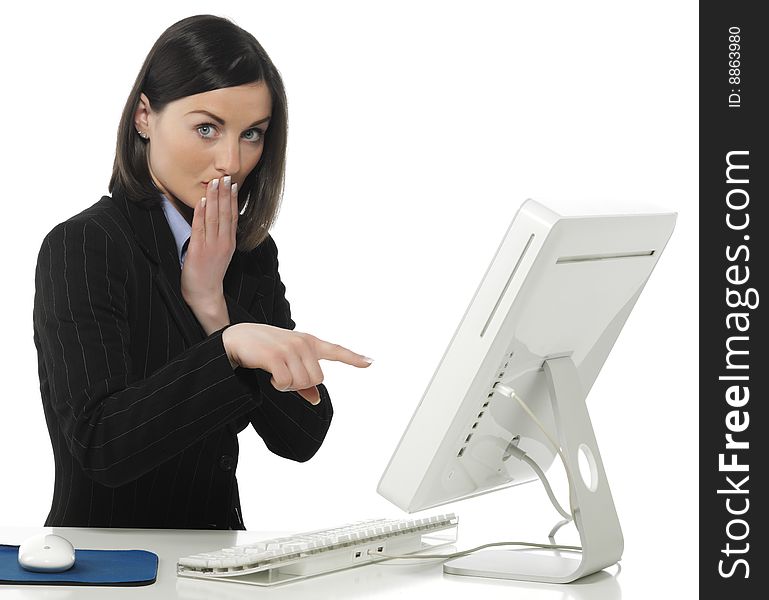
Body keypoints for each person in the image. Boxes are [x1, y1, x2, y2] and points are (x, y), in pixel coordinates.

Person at [32, 14, 372, 529]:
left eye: (252, 134)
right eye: (207, 128)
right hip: (109, 564)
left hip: (215, 564)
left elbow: (301, 437)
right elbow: (102, 445)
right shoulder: (84, 245)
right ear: (144, 117)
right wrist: (229, 347)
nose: (230, 160)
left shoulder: (251, 253)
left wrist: (213, 305)